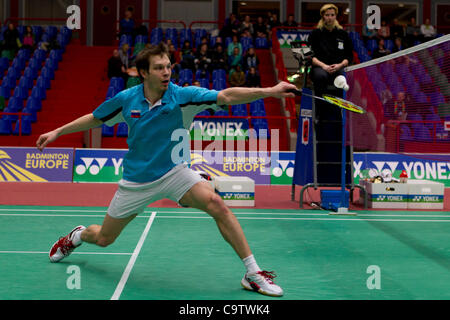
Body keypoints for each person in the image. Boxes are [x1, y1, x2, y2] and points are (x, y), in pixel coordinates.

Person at [37, 42, 297, 297]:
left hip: (174, 173)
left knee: (217, 204)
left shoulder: (183, 97)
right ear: (143, 73)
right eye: (159, 68)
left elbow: (226, 96)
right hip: (136, 181)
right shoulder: (127, 100)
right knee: (105, 239)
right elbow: (95, 118)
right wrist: (58, 131)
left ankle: (252, 273)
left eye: (169, 67)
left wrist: (271, 90)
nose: (166, 72)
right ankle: (77, 236)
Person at [307, 3, 353, 98]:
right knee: (320, 76)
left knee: (344, 78)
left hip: (338, 68)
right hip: (320, 67)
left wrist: (339, 65)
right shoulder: (315, 34)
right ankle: (320, 108)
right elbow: (310, 56)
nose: (330, 17)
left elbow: (349, 56)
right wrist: (324, 66)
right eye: (327, 15)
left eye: (332, 15)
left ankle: (340, 110)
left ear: (335, 16)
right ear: (323, 16)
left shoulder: (342, 34)